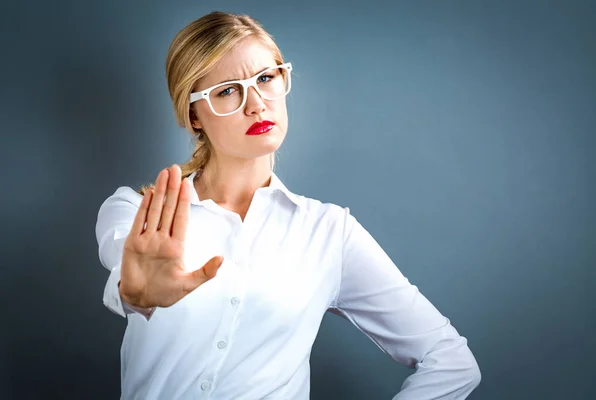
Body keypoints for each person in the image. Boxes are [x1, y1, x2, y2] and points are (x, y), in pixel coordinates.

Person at [95, 11, 481, 400]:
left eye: (266, 78)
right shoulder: (135, 212)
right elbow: (127, 266)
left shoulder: (329, 232)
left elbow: (449, 359)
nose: (256, 104)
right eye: (228, 90)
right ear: (193, 114)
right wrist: (134, 295)